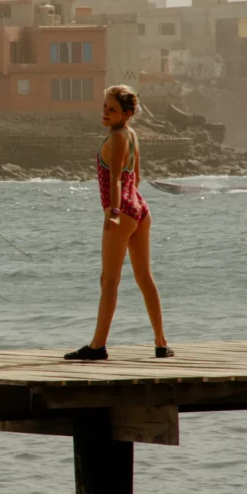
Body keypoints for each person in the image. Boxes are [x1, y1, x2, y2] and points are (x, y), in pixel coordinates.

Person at [65, 85, 173, 361]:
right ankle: (162, 343)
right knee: (144, 277)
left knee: (109, 280)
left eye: (111, 110)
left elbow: (114, 178)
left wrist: (114, 212)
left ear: (125, 113)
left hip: (122, 211)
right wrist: (128, 204)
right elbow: (135, 178)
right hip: (140, 209)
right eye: (104, 107)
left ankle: (97, 346)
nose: (105, 113)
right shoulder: (132, 135)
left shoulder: (115, 138)